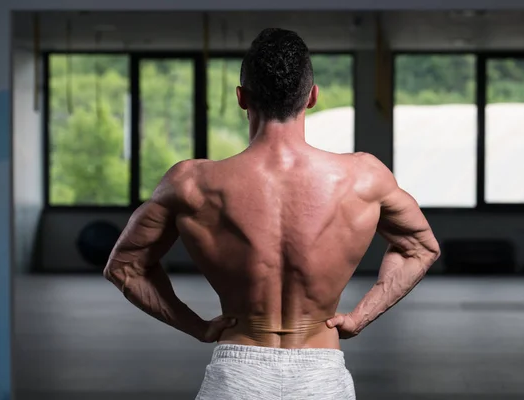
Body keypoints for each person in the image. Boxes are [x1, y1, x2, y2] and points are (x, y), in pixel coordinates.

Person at [103, 28, 440, 400]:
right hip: (321, 374)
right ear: (312, 97)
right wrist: (360, 316)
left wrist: (196, 326)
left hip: (236, 374)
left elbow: (125, 267)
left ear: (242, 98)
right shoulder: (363, 177)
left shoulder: (191, 183)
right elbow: (421, 249)